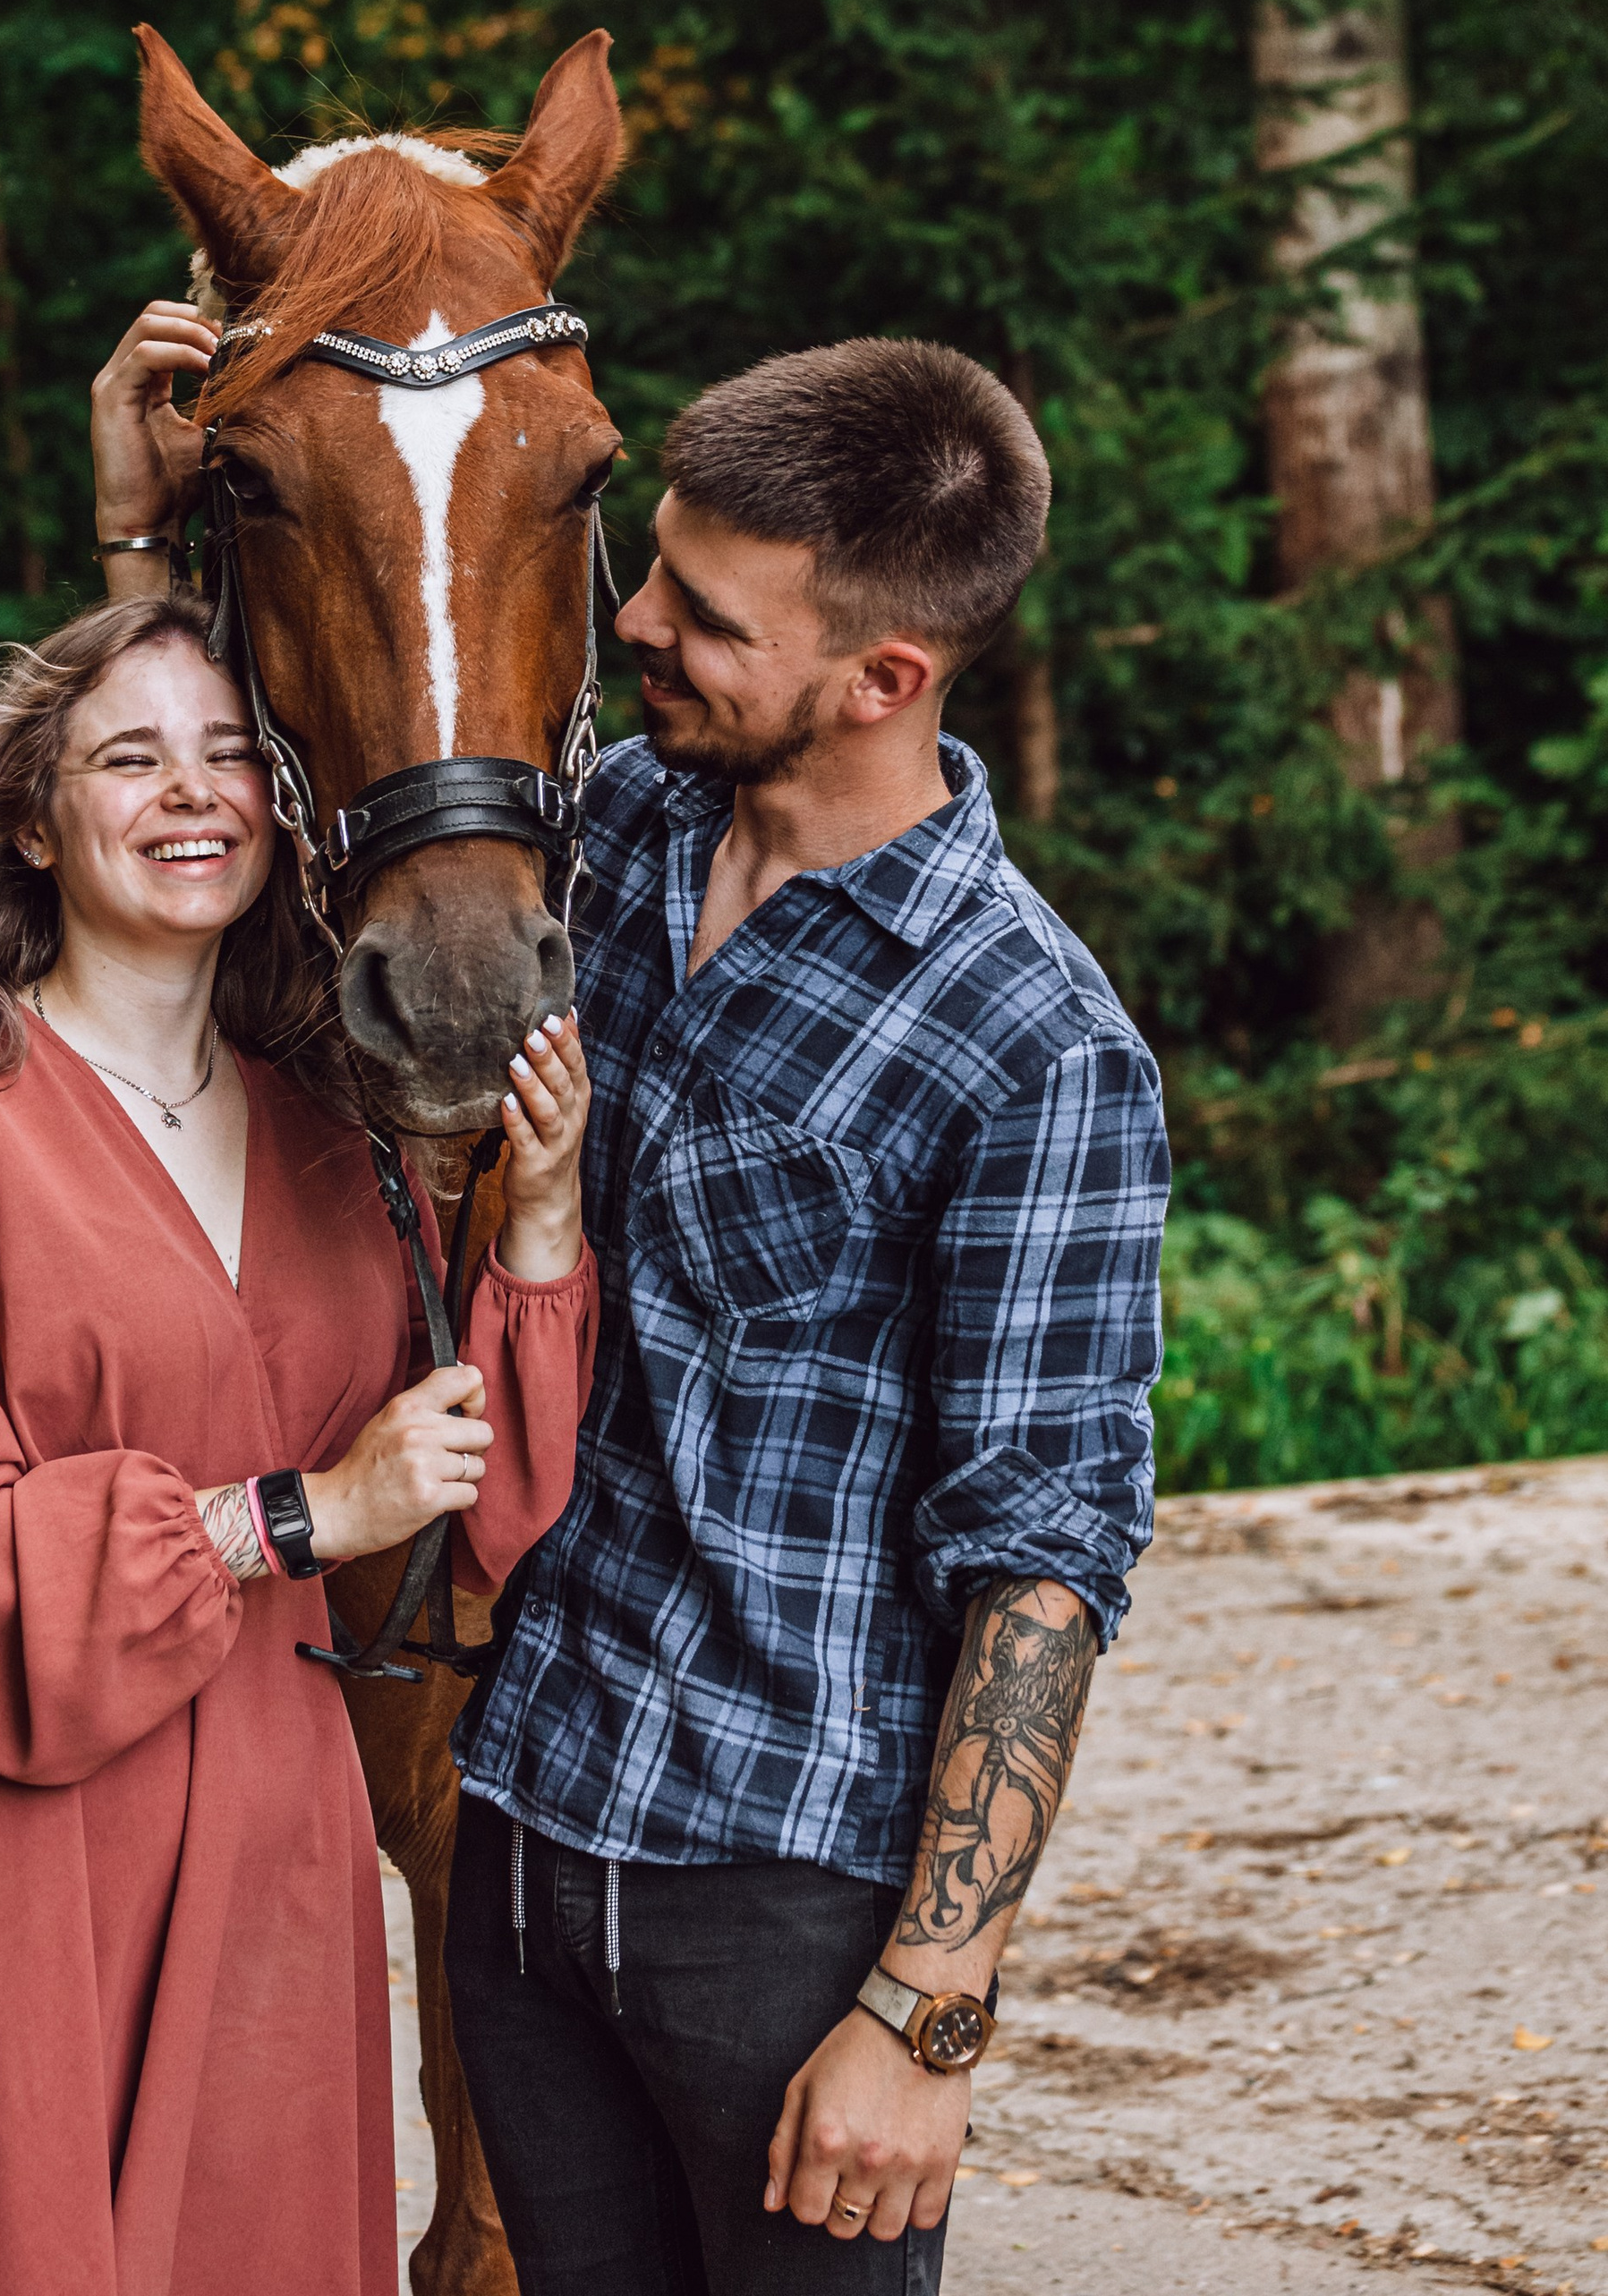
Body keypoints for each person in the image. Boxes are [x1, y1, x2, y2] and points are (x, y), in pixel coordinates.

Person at [92, 311, 1170, 2296]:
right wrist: (146, 542)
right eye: (650, 564)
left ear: (882, 678)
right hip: (523, 1825)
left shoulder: (1034, 1043)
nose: (636, 625)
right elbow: (229, 804)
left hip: (771, 1896)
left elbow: (1041, 1555)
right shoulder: (611, 839)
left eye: (704, 616)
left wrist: (924, 2013)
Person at [0, 592, 599, 2296]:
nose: (190, 790)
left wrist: (544, 1217)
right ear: (34, 820)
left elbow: (479, 1511)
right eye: (130, 757)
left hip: (276, 1829)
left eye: (226, 754)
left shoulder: (333, 1134)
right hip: (10, 1821)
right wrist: (297, 1513)